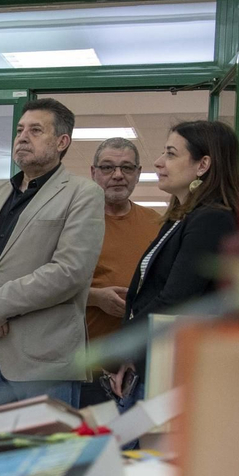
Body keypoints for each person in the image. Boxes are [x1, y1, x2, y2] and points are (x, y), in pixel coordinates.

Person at [0, 99, 104, 411]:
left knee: (46, 458)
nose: (22, 137)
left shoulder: (82, 194)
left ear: (62, 142)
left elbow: (70, 271)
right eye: (20, 130)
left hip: (44, 362)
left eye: (36, 130)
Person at [114, 120, 239, 406]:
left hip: (175, 368)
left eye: (171, 154)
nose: (159, 162)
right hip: (152, 362)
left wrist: (121, 345)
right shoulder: (180, 217)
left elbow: (175, 299)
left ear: (203, 165)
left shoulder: (212, 219)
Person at [79, 137, 164, 407]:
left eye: (127, 168)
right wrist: (95, 297)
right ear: (93, 173)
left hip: (140, 365)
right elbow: (45, 286)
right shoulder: (73, 223)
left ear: (138, 174)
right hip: (84, 366)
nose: (117, 175)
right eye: (107, 167)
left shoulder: (157, 223)